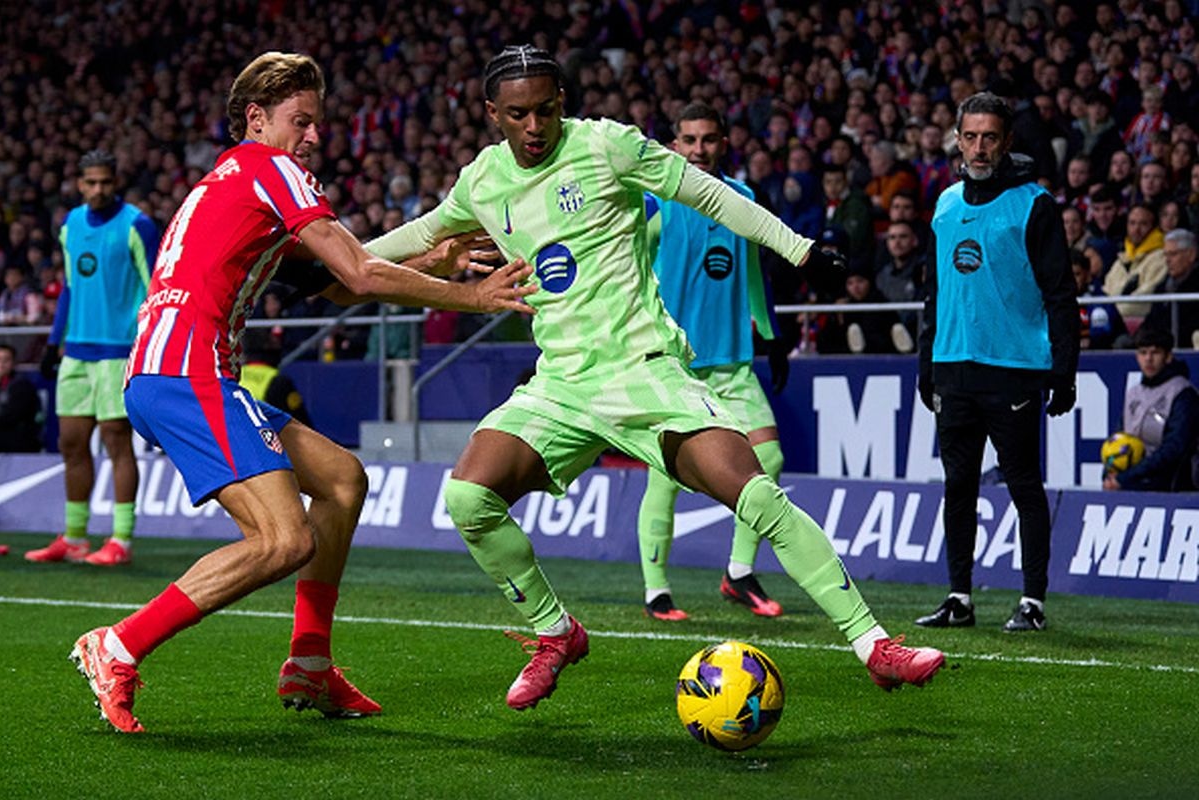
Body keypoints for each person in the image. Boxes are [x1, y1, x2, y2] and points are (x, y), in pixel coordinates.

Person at [368, 45, 945, 712]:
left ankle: (875, 645)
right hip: (561, 384)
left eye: (548, 110)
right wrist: (317, 253)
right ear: (492, 114)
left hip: (644, 372)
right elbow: (417, 234)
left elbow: (704, 190)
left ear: (563, 103)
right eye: (519, 115)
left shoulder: (607, 147)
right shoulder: (484, 181)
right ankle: (556, 632)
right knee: (468, 498)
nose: (535, 127)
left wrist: (798, 247)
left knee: (753, 490)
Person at [68, 51, 537, 734]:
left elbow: (338, 284)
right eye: (302, 121)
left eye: (318, 123)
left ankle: (309, 663)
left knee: (342, 480)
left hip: (176, 374)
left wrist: (427, 261)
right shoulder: (272, 169)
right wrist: (469, 296)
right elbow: (360, 271)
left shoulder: (232, 181)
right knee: (284, 540)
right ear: (256, 118)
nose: (314, 136)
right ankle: (118, 645)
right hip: (187, 375)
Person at [917, 92, 1079, 633]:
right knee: (957, 486)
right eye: (971, 136)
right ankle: (958, 597)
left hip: (1012, 369)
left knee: (1023, 487)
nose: (979, 147)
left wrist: (1064, 371)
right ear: (957, 139)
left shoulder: (1034, 204)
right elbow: (934, 292)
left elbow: (1061, 292)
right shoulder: (943, 204)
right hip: (954, 368)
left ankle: (1032, 601)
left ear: (1007, 141)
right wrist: (926, 363)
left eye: (990, 137)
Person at [633, 102, 790, 622]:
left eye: (708, 140)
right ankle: (656, 590)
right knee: (667, 478)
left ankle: (738, 572)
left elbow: (750, 275)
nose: (698, 151)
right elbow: (627, 265)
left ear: (724, 143)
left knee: (767, 462)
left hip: (733, 364)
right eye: (689, 140)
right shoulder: (657, 205)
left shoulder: (743, 199)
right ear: (674, 146)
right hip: (675, 366)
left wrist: (771, 335)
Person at [25, 149, 158, 567]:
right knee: (71, 443)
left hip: (119, 352)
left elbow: (157, 289)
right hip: (77, 353)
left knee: (118, 443)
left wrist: (147, 345)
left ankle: (121, 539)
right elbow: (67, 289)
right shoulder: (71, 224)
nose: (98, 189)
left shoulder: (138, 224)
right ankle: (76, 537)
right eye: (91, 182)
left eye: (105, 181)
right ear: (79, 184)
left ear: (115, 181)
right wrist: (52, 342)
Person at [1104, 327, 1199, 492]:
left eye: (1155, 353)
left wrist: (1126, 478)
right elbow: (1119, 438)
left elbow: (1174, 448)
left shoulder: (1183, 394)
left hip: (1169, 485)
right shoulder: (1134, 393)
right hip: (1132, 481)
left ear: (1168, 357)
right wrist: (1110, 473)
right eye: (1143, 352)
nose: (1148, 359)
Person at [1103, 203, 1168, 319]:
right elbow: (1105, 292)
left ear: (1154, 227)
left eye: (1143, 224)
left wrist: (1111, 312)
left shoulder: (1161, 257)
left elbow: (1147, 296)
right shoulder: (1121, 260)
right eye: (1132, 223)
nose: (1136, 229)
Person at [1140, 228, 1199, 349]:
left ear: (1191, 255)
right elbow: (1150, 322)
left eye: (1173, 254)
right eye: (1166, 254)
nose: (1167, 260)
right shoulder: (1161, 287)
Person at [0, 342, 41, 452]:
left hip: (16, 442)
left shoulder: (22, 386)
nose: (1, 364)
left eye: (6, 360)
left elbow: (9, 417)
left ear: (13, 363)